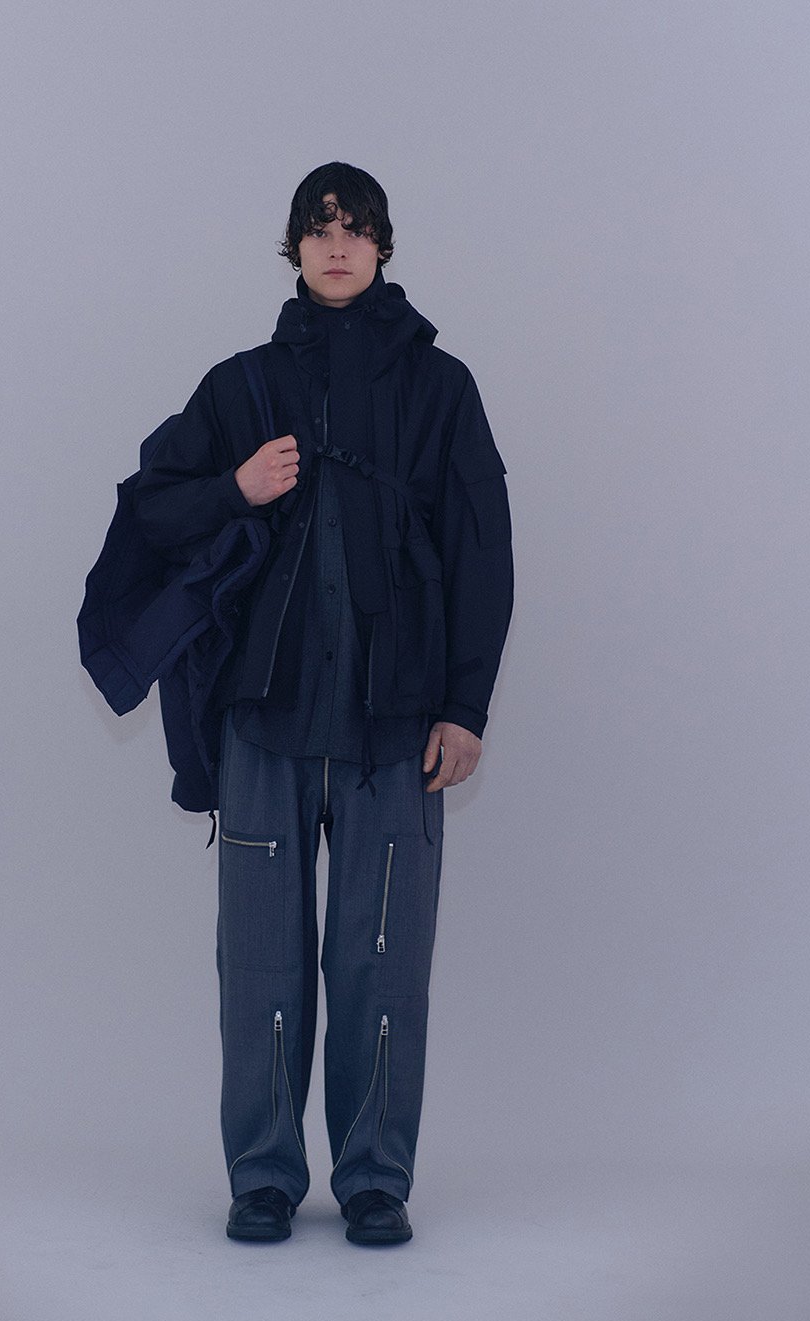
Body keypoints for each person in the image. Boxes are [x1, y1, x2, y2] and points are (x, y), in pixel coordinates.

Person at [132, 162, 513, 1244]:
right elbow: (152, 510)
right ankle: (262, 1176)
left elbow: (482, 550)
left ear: (383, 245)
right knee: (260, 962)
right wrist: (235, 488)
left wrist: (465, 706)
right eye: (318, 227)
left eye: (356, 227)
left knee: (383, 963)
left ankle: (374, 1179)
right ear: (293, 247)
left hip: (400, 725)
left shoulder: (442, 389)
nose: (337, 245)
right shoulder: (241, 388)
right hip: (266, 718)